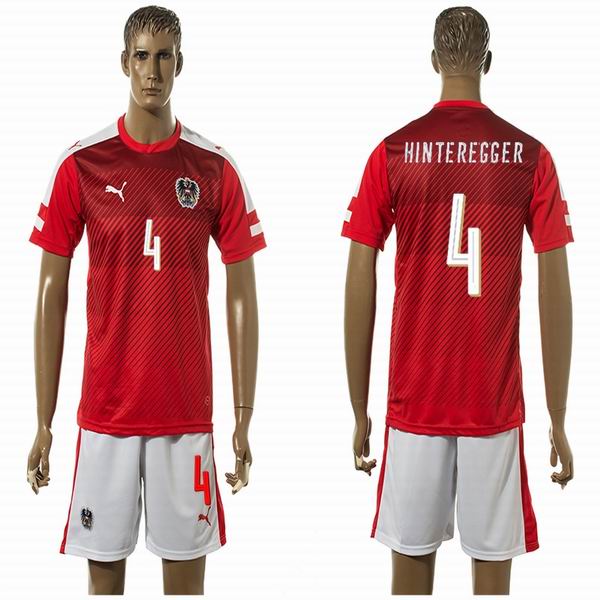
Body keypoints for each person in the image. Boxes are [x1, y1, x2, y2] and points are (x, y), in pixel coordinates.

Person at [26, 5, 266, 594]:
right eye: (141, 56)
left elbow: (243, 292)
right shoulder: (81, 165)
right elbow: (50, 295)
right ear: (123, 62)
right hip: (106, 414)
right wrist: (43, 421)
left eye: (164, 57)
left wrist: (243, 417)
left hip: (184, 414)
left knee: (185, 586)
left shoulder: (214, 169)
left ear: (180, 64)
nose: (152, 71)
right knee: (104, 583)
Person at [342, 6, 574, 595]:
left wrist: (358, 408)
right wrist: (558, 416)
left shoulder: (392, 153)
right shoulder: (531, 157)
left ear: (433, 62)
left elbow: (360, 273)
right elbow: (556, 287)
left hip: (415, 398)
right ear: (488, 63)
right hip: (491, 403)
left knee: (410, 572)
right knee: (492, 578)